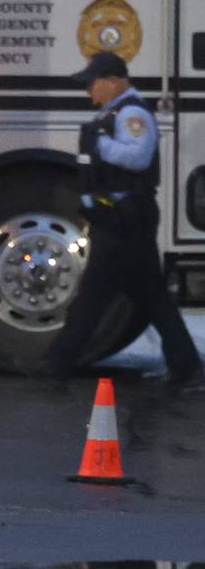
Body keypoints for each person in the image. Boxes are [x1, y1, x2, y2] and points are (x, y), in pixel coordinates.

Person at [39, 51, 205, 392]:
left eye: (92, 84)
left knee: (93, 294)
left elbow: (137, 157)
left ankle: (56, 364)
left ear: (113, 80)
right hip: (122, 216)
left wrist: (100, 145)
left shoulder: (131, 113)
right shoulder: (114, 112)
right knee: (151, 295)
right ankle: (185, 364)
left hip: (125, 218)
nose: (89, 92)